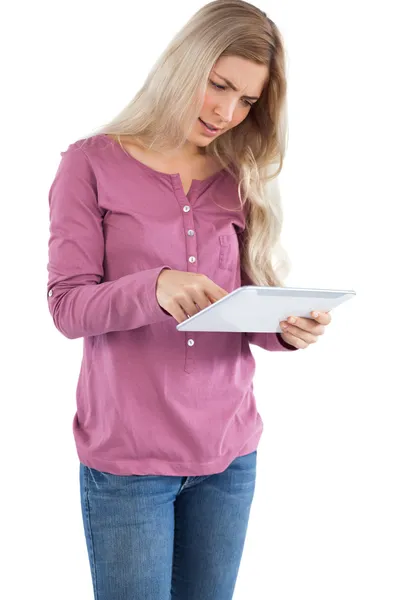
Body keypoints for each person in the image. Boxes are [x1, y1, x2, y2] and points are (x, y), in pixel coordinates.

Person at [46, 1, 331, 598]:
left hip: (228, 455)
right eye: (219, 84)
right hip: (128, 462)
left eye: (248, 100)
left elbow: (237, 305)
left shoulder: (239, 174)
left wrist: (284, 327)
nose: (228, 112)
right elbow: (68, 308)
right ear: (183, 65)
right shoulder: (90, 163)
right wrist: (153, 287)